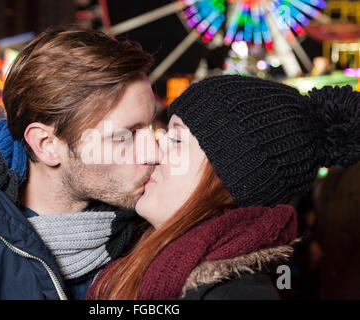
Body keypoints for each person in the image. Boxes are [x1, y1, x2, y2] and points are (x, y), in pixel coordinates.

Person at [0, 27, 158, 299]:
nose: (154, 152)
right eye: (126, 136)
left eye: (151, 127)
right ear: (46, 145)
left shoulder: (156, 237)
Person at [87, 75, 360, 300]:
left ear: (230, 177)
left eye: (177, 140)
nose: (154, 153)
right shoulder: (132, 249)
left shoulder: (235, 294)